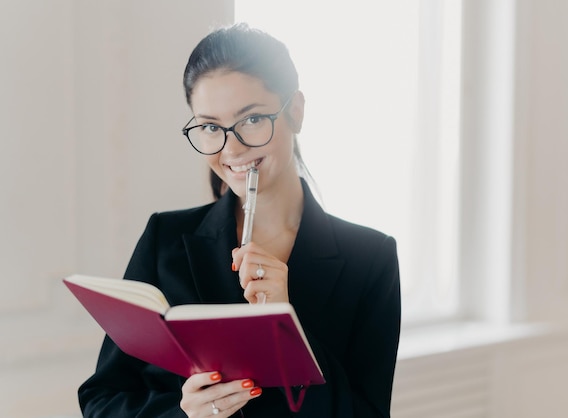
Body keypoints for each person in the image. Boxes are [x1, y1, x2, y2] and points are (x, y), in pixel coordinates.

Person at [78, 22, 401, 418]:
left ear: (295, 111)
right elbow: (102, 399)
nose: (232, 148)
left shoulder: (370, 258)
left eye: (251, 119)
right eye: (211, 127)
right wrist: (185, 414)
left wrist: (288, 325)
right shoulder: (165, 238)